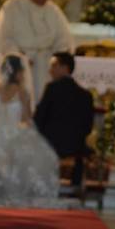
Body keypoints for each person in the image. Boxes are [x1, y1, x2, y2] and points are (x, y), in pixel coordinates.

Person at [0, 54, 62, 206]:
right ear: (18, 72)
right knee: (38, 155)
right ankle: (15, 194)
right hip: (15, 134)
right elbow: (26, 120)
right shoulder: (22, 92)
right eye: (22, 71)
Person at [0, 0, 73, 103]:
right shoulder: (12, 7)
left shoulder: (54, 11)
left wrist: (56, 60)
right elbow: (6, 38)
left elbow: (64, 39)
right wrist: (20, 59)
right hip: (23, 67)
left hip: (47, 67)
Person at [34, 52, 95, 186]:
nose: (50, 70)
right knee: (80, 152)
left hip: (51, 145)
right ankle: (75, 187)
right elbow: (88, 127)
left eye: (54, 65)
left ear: (65, 67)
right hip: (76, 146)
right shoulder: (86, 95)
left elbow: (39, 120)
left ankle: (42, 187)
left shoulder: (51, 89)